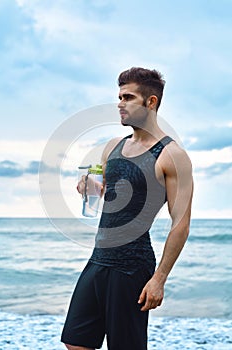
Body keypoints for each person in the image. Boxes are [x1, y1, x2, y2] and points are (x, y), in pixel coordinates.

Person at [61, 67, 193, 350]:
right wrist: (90, 188)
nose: (120, 104)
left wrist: (159, 279)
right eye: (119, 97)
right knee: (76, 342)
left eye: (128, 97)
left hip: (133, 266)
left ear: (151, 102)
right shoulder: (113, 147)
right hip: (99, 259)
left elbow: (180, 224)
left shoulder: (172, 155)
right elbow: (110, 194)